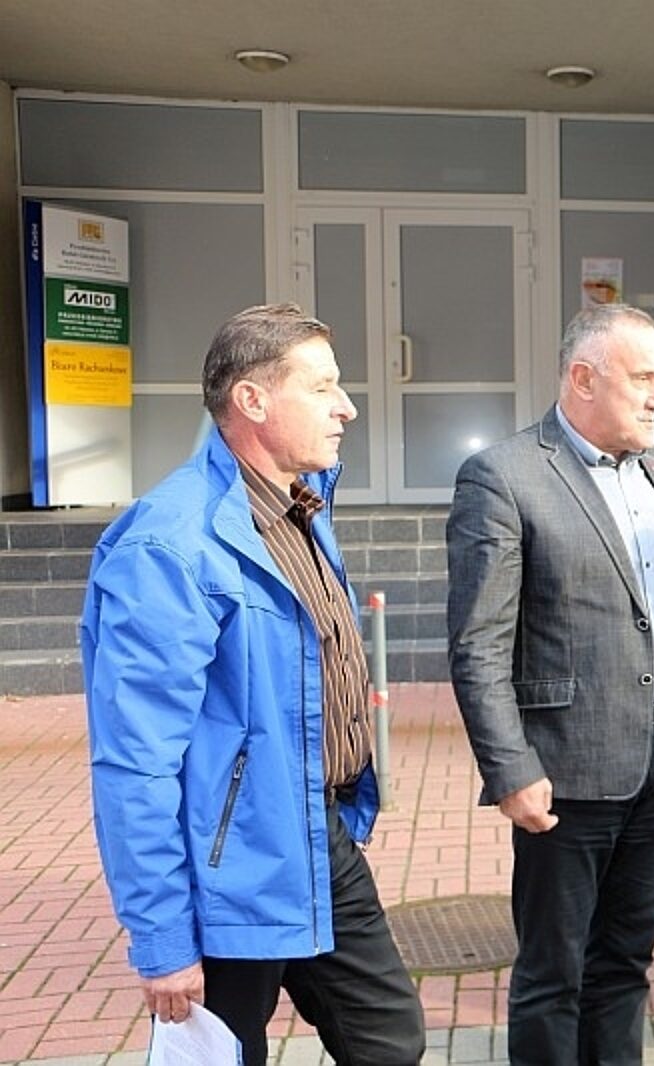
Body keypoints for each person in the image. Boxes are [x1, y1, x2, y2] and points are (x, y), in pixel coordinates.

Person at [81, 304, 425, 1066]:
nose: (347, 407)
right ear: (253, 401)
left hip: (315, 833)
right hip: (226, 865)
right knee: (228, 1056)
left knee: (389, 1040)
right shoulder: (170, 546)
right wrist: (163, 939)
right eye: (323, 387)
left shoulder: (302, 503)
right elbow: (134, 763)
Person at [446, 304, 654, 1066]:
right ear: (583, 379)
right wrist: (510, 770)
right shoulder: (504, 477)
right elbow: (478, 646)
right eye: (644, 379)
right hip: (565, 770)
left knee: (625, 962)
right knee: (554, 974)